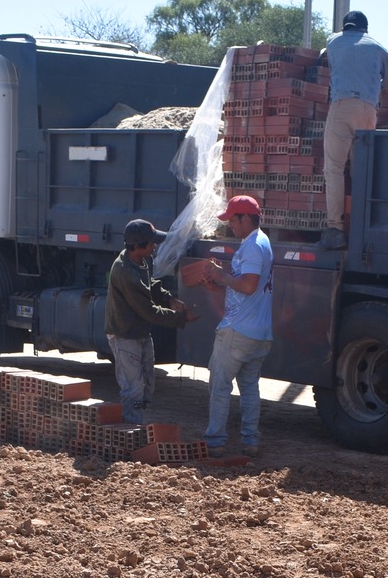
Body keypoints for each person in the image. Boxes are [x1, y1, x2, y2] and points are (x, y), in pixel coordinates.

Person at [317, 10, 388, 250]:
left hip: (341, 106)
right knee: (361, 170)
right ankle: (360, 225)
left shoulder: (333, 41)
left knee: (334, 169)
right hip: (368, 110)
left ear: (345, 27)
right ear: (365, 29)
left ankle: (335, 229)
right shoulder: (376, 47)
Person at [198, 194, 275, 457]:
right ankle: (250, 441)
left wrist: (221, 276)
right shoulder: (261, 242)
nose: (230, 225)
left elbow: (249, 285)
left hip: (238, 330)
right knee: (250, 387)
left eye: (233, 219)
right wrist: (222, 281)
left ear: (246, 219)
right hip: (260, 332)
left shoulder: (252, 246)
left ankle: (215, 442)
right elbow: (248, 286)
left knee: (219, 384)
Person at [105, 217, 194, 424]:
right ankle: (130, 430)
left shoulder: (143, 261)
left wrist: (169, 298)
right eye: (151, 243)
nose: (155, 247)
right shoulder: (124, 271)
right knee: (133, 388)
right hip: (125, 335)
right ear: (137, 246)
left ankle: (135, 421)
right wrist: (181, 318)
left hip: (140, 331)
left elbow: (149, 283)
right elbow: (149, 312)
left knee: (147, 384)